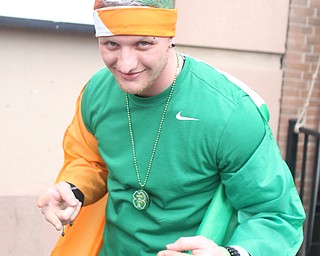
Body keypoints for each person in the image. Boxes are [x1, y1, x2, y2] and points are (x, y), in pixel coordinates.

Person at [37, 0, 306, 255]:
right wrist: (73, 189)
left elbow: (276, 214)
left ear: (170, 37)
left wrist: (231, 253)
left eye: (143, 43)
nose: (126, 64)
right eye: (111, 44)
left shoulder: (230, 111)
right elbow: (90, 160)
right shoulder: (97, 92)